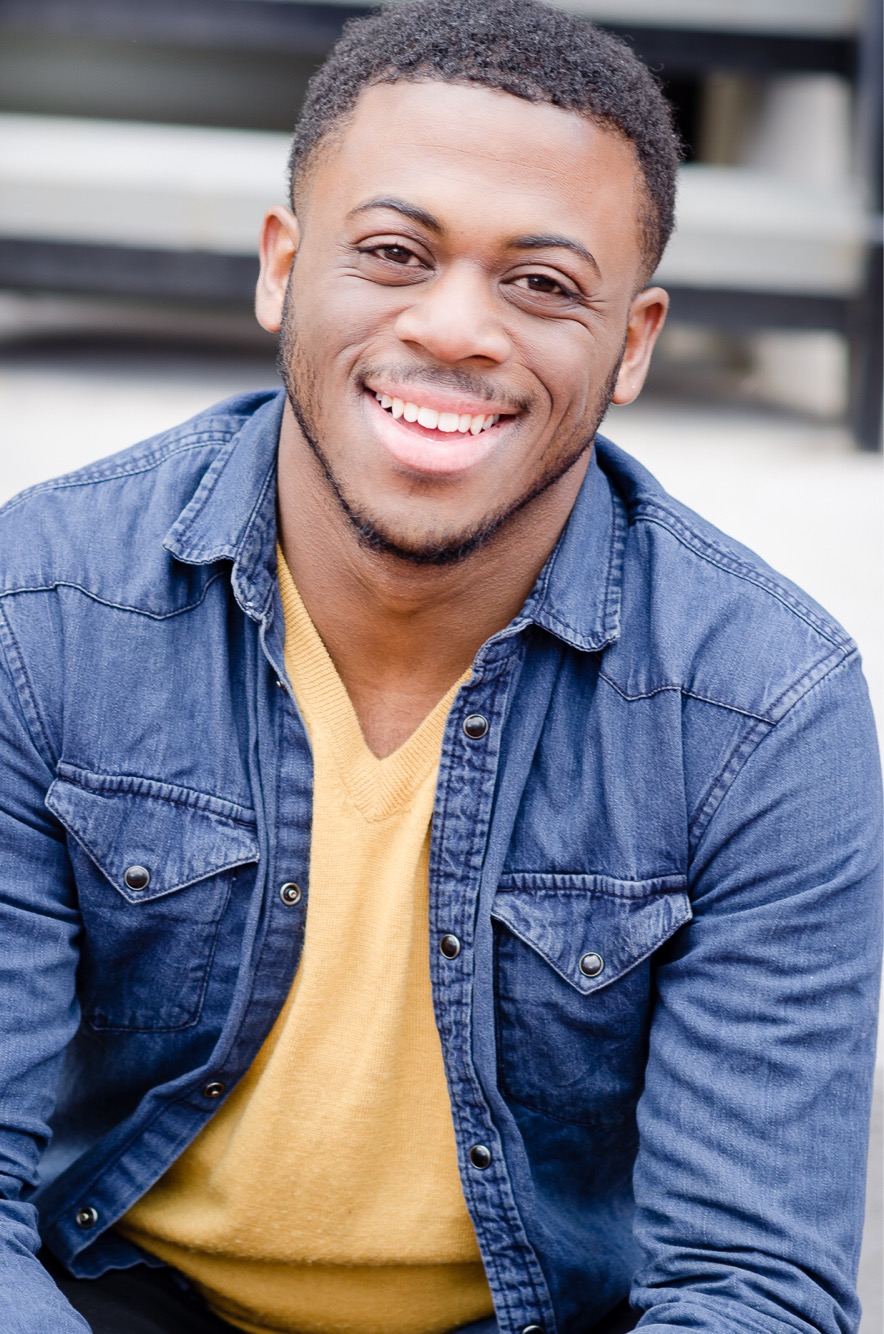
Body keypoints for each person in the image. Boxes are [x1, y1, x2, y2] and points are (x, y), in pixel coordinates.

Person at [0, 1, 880, 1331]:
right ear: (282, 267)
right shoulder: (45, 606)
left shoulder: (763, 707)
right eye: (395, 252)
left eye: (544, 283)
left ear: (634, 342)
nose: (458, 326)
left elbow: (747, 1284)